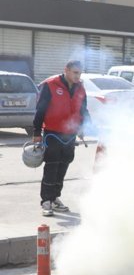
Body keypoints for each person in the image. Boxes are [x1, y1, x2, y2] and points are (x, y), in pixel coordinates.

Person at [32, 59, 91, 217]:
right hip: (52, 133)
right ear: (66, 70)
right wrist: (37, 133)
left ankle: (55, 198)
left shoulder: (80, 88)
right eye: (75, 73)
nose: (78, 76)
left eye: (80, 73)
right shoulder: (50, 85)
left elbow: (84, 110)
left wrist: (84, 127)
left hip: (70, 135)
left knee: (63, 166)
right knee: (51, 166)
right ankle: (46, 201)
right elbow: (40, 110)